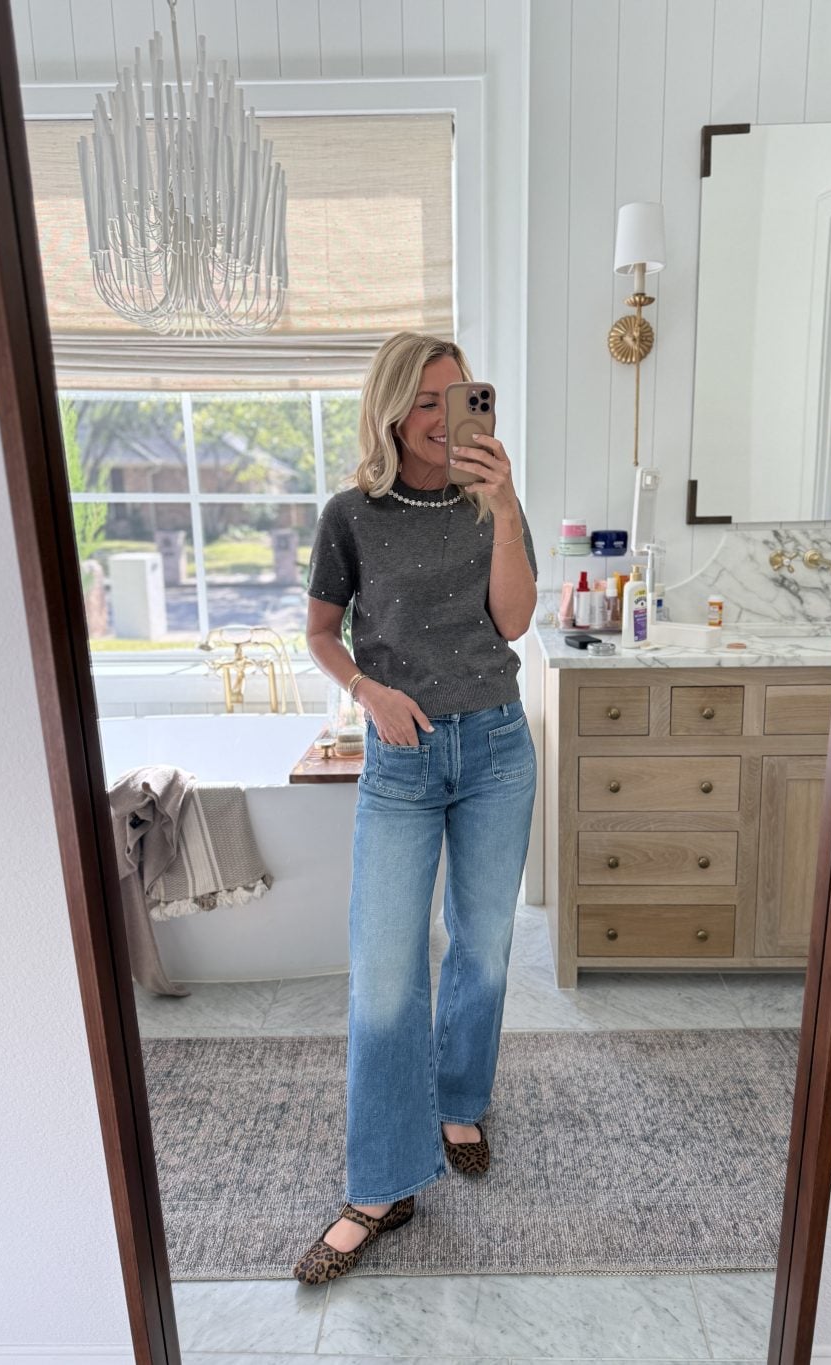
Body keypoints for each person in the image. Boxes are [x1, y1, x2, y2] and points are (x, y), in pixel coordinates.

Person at [292, 332, 538, 1284]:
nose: (444, 419)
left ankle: (460, 1103)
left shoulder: (492, 500)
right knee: (387, 973)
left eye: (459, 397)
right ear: (392, 412)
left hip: (497, 749)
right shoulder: (350, 514)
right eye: (427, 402)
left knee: (484, 945)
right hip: (400, 756)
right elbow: (322, 632)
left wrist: (505, 506)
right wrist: (368, 692)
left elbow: (514, 620)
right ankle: (379, 1186)